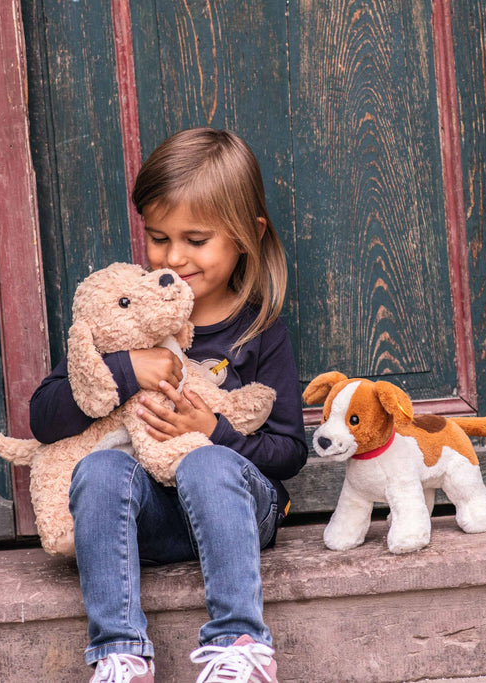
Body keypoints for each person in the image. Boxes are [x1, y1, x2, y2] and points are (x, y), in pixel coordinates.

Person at [29, 127, 307, 683]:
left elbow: (289, 453)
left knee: (206, 463)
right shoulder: (122, 319)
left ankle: (242, 647)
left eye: (196, 240)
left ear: (247, 236)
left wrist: (216, 430)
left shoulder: (260, 333)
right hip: (152, 521)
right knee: (101, 468)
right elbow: (43, 418)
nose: (174, 258)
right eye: (159, 238)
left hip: (239, 514)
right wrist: (125, 370)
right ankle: (119, 654)